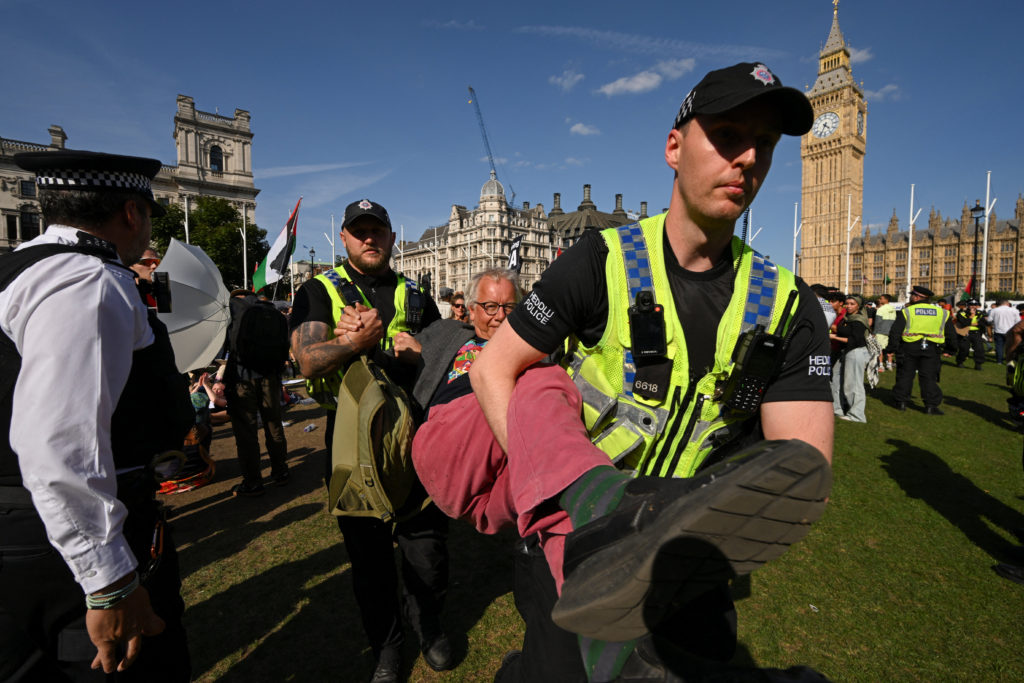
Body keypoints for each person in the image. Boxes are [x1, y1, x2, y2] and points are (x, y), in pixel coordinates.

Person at [412, 62, 834, 681]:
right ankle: (600, 510)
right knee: (540, 381)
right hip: (568, 543)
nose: (747, 158)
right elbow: (493, 372)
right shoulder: (600, 259)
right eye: (727, 135)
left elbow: (800, 471)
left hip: (692, 559)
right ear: (674, 147)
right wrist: (560, 503)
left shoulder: (790, 305)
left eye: (764, 144)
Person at [0, 150, 193, 680]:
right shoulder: (88, 280)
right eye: (149, 217)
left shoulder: (18, 268)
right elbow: (59, 445)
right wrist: (108, 580)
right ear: (132, 213)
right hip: (59, 541)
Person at [289, 198, 449, 682]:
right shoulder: (319, 290)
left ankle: (430, 628)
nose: (368, 238)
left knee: (427, 551)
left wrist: (422, 354)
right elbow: (307, 361)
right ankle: (387, 648)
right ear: (344, 238)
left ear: (391, 237)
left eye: (377, 230)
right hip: (351, 441)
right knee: (370, 560)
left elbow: (444, 362)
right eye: (358, 231)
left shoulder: (416, 294)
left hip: (415, 437)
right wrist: (352, 344)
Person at [225, 289, 291, 497]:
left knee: (246, 430)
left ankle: (253, 482)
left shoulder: (233, 310)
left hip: (242, 377)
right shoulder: (271, 311)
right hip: (270, 375)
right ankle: (281, 472)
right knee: (274, 424)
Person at [885, 285, 956, 414]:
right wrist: (951, 349)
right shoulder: (942, 312)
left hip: (909, 347)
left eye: (912, 295)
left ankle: (901, 402)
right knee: (929, 377)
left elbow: (895, 332)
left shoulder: (907, 311)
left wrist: (891, 348)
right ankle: (931, 406)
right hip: (931, 348)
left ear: (917, 297)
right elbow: (951, 333)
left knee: (905, 375)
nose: (910, 297)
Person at [830, 295, 871, 422]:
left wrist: (834, 337)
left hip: (855, 352)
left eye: (852, 304)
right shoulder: (846, 318)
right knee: (835, 379)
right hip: (844, 352)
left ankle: (857, 415)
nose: (848, 306)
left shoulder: (858, 320)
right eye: (847, 303)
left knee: (853, 384)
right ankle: (837, 408)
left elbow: (854, 341)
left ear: (858, 306)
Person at [955, 299, 987, 370]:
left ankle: (978, 364)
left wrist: (972, 323)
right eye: (971, 305)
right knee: (964, 349)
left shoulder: (980, 313)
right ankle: (960, 361)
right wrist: (971, 317)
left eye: (975, 305)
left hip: (976, 333)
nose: (973, 306)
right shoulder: (962, 313)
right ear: (968, 305)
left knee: (979, 349)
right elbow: (963, 323)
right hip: (965, 333)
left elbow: (983, 323)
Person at [988, 299, 1018, 364]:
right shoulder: (1014, 310)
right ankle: (1010, 360)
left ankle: (999, 361)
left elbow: (989, 320)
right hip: (1010, 331)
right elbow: (1018, 321)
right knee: (1010, 347)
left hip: (998, 331)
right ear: (1007, 303)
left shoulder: (994, 310)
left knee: (999, 347)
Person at [873, 294, 897, 371]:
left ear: (886, 300)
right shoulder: (893, 309)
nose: (879, 300)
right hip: (891, 331)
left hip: (881, 331)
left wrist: (874, 332)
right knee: (889, 349)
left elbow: (878, 322)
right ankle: (889, 364)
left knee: (879, 349)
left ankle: (880, 365)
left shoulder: (880, 309)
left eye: (881, 298)